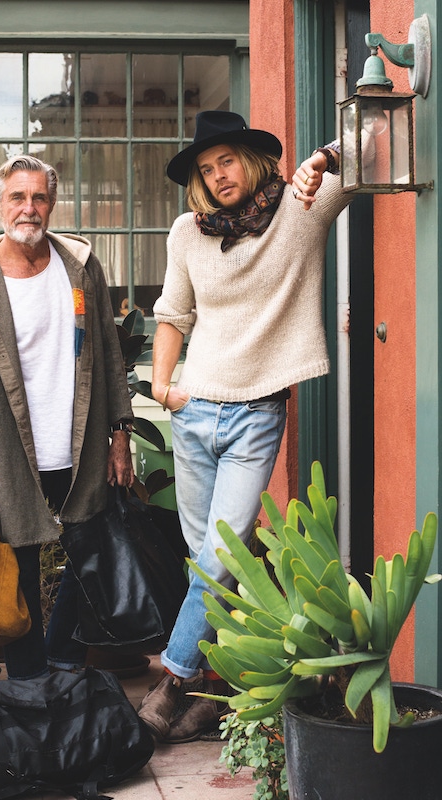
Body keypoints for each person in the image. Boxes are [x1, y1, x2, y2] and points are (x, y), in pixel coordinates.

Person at [137, 110, 349, 742]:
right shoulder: (187, 232)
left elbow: (372, 145)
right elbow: (173, 315)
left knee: (224, 554)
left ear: (251, 161)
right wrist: (162, 385)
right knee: (214, 567)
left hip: (256, 412)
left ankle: (173, 680)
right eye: (206, 169)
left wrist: (326, 159)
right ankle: (223, 690)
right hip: (194, 412)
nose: (218, 175)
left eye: (226, 160)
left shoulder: (301, 208)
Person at [0, 154, 134, 679]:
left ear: (51, 204)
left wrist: (120, 433)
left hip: (79, 446)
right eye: (18, 198)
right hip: (11, 455)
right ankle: (29, 684)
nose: (29, 209)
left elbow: (109, 354)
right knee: (20, 572)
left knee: (91, 554)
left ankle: (64, 663)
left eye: (39, 198)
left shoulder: (81, 266)